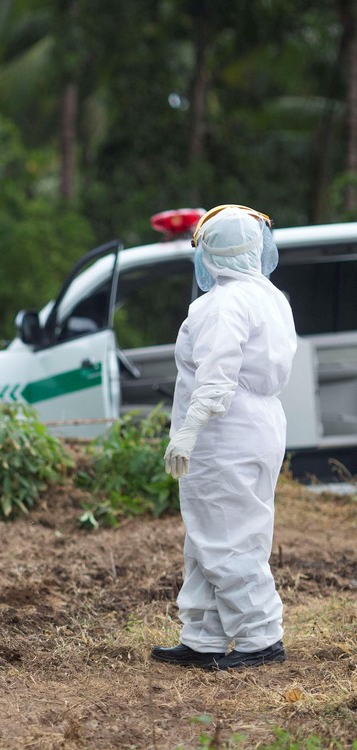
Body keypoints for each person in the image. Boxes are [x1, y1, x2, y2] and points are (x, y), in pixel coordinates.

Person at [151, 204, 295, 671]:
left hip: (224, 432)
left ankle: (259, 638)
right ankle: (203, 636)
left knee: (228, 538)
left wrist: (187, 433)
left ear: (208, 252)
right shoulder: (269, 297)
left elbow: (216, 380)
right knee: (212, 535)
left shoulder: (221, 304)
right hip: (259, 426)